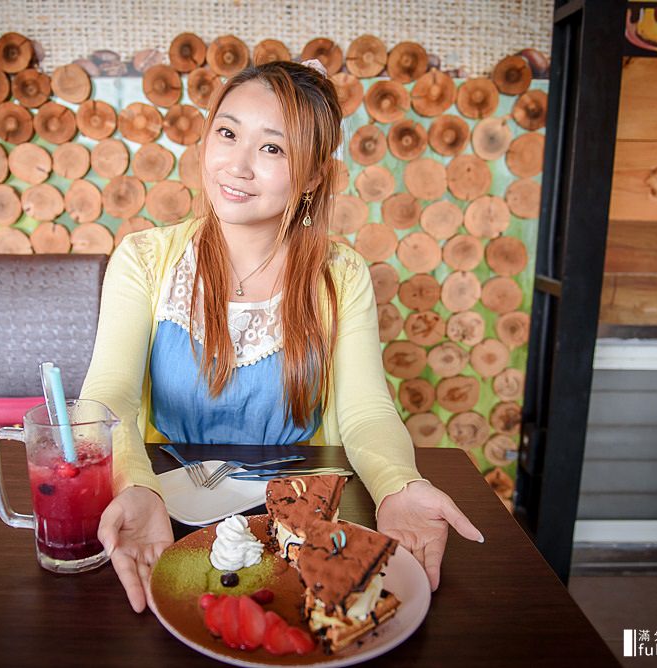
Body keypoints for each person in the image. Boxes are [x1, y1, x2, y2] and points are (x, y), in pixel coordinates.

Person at [80, 59, 483, 614]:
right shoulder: (145, 260)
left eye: (273, 148)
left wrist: (396, 484)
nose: (237, 165)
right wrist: (135, 483)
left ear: (314, 174)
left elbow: (365, 410)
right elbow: (109, 395)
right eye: (227, 133)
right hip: (166, 510)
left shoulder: (340, 273)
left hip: (304, 517)